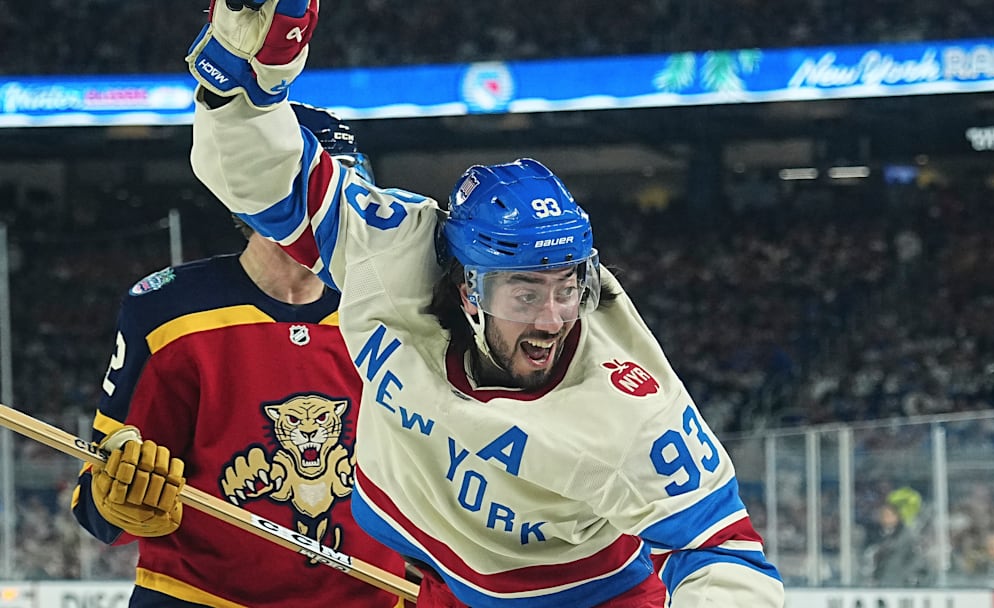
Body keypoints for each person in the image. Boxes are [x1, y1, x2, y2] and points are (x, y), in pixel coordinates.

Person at [184, 1, 784, 606]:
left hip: (581, 596)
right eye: (524, 292)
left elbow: (725, 555)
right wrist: (240, 81)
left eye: (566, 287)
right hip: (430, 573)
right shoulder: (394, 254)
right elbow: (268, 183)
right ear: (466, 286)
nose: (551, 319)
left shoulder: (632, 410)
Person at [70, 103, 408, 608]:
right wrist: (115, 500)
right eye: (309, 191)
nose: (327, 211)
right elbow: (101, 501)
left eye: (341, 193)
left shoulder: (403, 313)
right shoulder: (169, 313)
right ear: (250, 193)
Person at [863, 500, 924, 587]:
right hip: (880, 581)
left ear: (897, 516)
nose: (885, 518)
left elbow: (914, 558)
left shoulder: (906, 536)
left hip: (900, 581)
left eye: (889, 515)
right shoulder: (874, 534)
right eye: (883, 515)